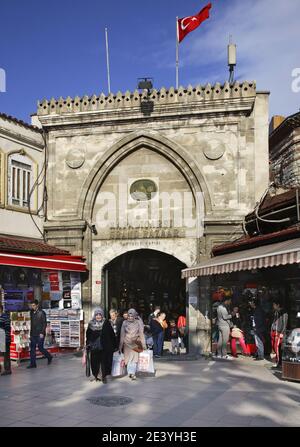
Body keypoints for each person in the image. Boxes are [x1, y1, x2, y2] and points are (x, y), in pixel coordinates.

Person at [86, 308, 117, 383]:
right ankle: (96, 375)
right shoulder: (91, 323)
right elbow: (88, 335)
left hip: (104, 346)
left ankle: (103, 376)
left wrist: (114, 344)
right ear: (94, 315)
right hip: (94, 346)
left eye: (100, 314)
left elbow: (111, 334)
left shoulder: (106, 322)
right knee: (94, 362)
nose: (98, 316)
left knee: (104, 362)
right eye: (97, 315)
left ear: (102, 315)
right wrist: (87, 343)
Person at [119, 308, 146, 380]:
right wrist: (120, 346)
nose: (130, 317)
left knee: (134, 359)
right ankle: (130, 372)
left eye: (132, 316)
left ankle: (132, 373)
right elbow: (122, 334)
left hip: (136, 343)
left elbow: (141, 334)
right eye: (129, 316)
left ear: (134, 316)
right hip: (127, 343)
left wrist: (144, 344)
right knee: (128, 359)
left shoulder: (138, 322)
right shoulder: (124, 323)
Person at [27, 300, 53, 369]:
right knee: (32, 349)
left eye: (33, 305)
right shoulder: (31, 312)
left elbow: (44, 323)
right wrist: (30, 333)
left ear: (37, 305)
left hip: (40, 334)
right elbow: (32, 323)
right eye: (31, 306)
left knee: (40, 348)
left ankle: (49, 356)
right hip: (33, 333)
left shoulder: (42, 312)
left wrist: (42, 333)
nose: (32, 307)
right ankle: (33, 364)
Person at [271, 299, 288, 368]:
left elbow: (284, 324)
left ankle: (278, 362)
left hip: (279, 332)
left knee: (277, 347)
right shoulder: (276, 312)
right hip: (275, 331)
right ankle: (278, 361)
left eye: (274, 305)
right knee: (276, 347)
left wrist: (282, 332)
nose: (273, 306)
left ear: (278, 305)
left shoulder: (283, 313)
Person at [0, 304, 12, 375]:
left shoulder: (5, 317)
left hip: (4, 339)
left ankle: (8, 370)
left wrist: (5, 338)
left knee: (6, 355)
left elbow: (8, 329)